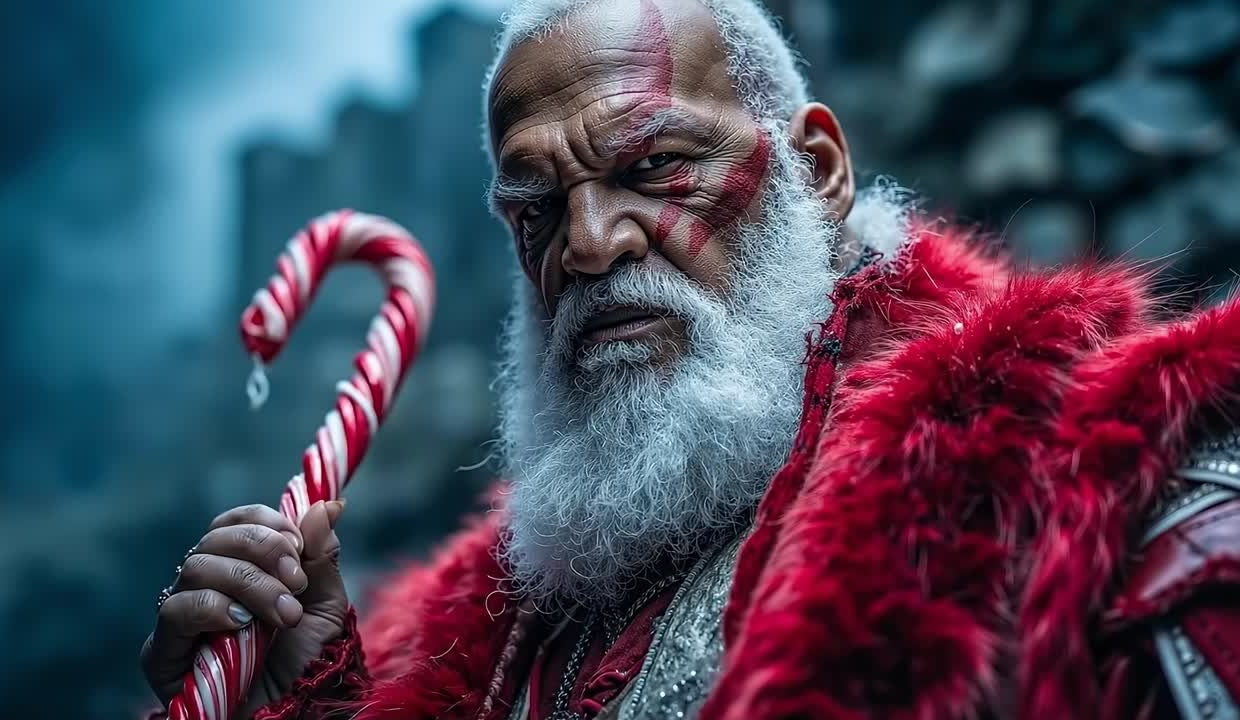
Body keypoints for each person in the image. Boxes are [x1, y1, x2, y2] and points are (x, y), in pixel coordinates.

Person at [140, 0, 1240, 717]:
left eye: (654, 168)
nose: (587, 244)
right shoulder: (481, 615)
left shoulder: (1092, 477)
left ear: (816, 171)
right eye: (537, 209)